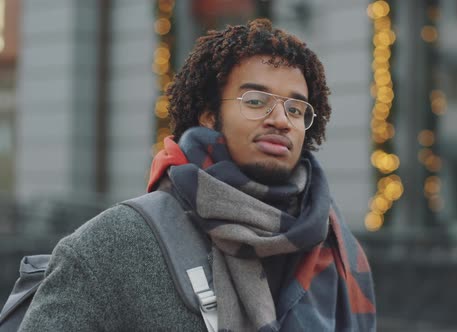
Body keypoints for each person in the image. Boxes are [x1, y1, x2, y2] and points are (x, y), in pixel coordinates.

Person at [19, 19, 376, 331]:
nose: (281, 120)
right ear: (207, 114)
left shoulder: (338, 249)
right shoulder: (111, 245)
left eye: (296, 108)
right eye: (255, 101)